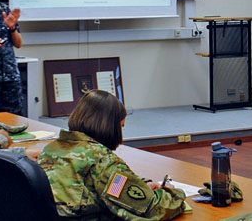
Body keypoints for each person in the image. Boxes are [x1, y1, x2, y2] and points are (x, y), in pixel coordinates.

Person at [37, 90, 186, 220]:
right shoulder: (102, 161)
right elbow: (151, 209)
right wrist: (171, 191)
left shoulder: (51, 149)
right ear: (110, 126)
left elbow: (103, 187)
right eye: (121, 127)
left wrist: (139, 186)